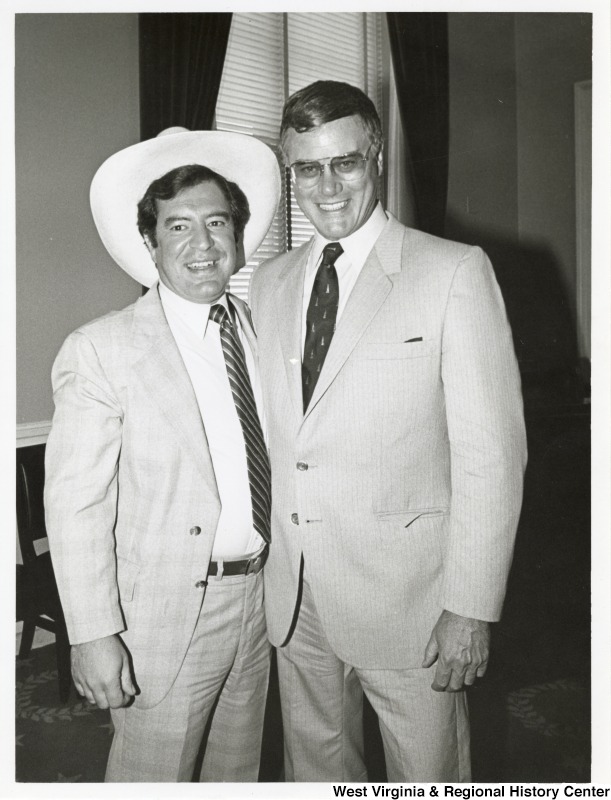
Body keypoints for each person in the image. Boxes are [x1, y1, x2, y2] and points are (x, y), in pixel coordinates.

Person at [249, 80, 527, 782]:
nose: (327, 186)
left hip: (409, 603)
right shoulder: (271, 282)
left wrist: (469, 607)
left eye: (344, 162)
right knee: (315, 774)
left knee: (427, 776)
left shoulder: (451, 271)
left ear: (375, 155)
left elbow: (490, 457)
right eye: (306, 168)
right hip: (297, 596)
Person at [44, 128, 281, 782]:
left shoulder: (265, 331)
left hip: (260, 599)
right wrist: (93, 634)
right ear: (149, 242)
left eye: (216, 223)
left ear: (238, 235)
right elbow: (75, 506)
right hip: (163, 618)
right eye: (178, 226)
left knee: (237, 776)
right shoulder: (102, 350)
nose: (202, 244)